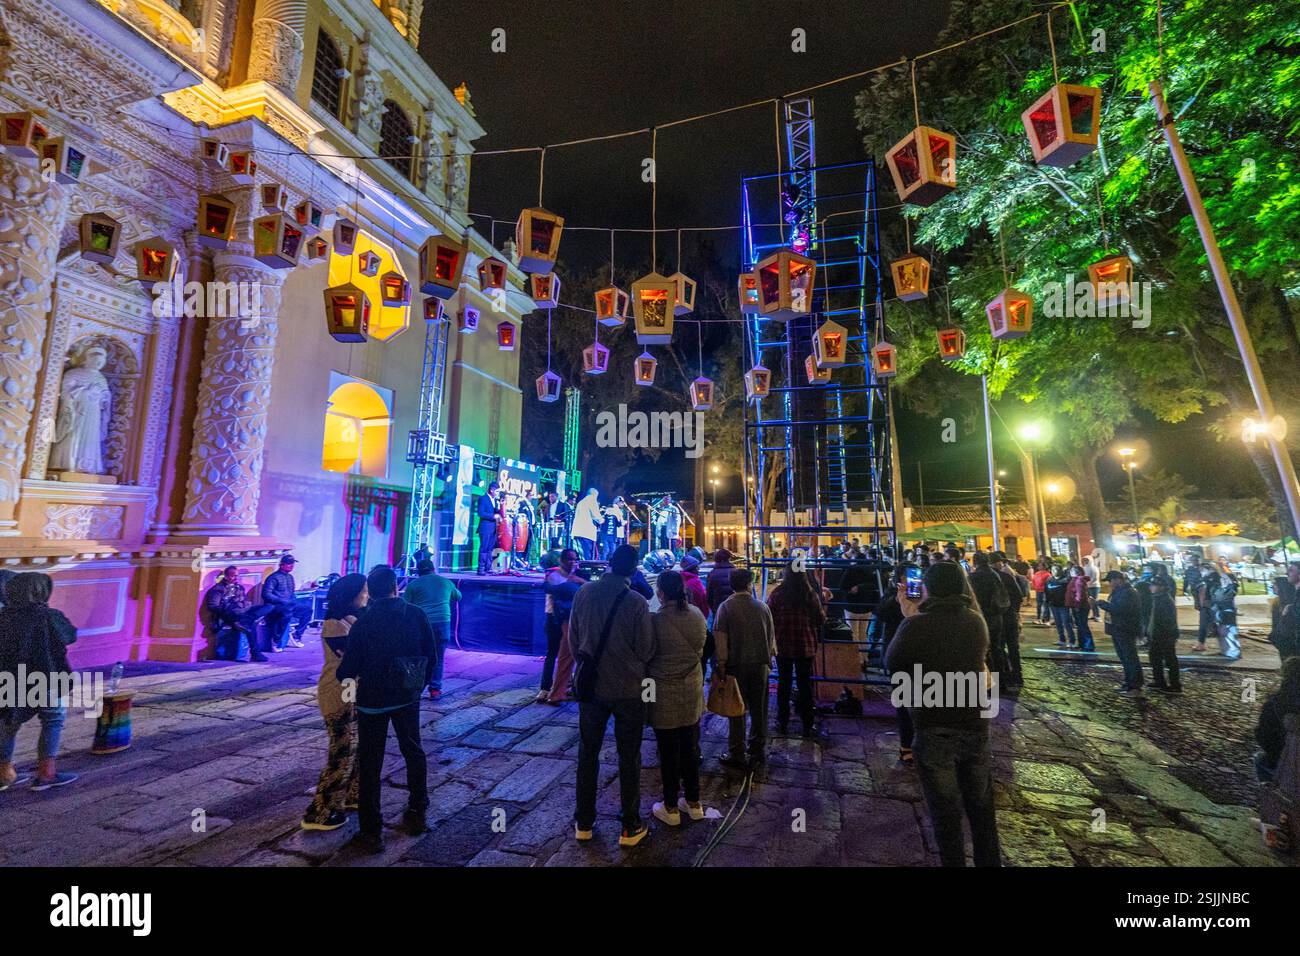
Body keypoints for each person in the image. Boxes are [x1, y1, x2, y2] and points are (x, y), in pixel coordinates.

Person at [885, 561, 1001, 867]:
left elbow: (893, 663)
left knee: (945, 813)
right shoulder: (976, 621)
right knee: (981, 809)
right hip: (975, 723)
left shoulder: (917, 623)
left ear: (929, 587)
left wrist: (911, 612)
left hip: (934, 723)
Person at [336, 566, 435, 853]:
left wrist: (342, 673)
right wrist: (417, 685)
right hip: (406, 696)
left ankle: (371, 831)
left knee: (370, 762)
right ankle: (417, 809)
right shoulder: (416, 615)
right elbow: (431, 655)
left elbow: (348, 669)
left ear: (371, 591)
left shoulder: (363, 623)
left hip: (372, 701)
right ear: (395, 586)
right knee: (413, 750)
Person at [569, 544, 654, 846]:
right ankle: (630, 825)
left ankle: (584, 822)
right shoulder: (636, 603)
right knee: (629, 756)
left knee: (587, 753)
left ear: (607, 564)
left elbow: (574, 638)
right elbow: (646, 649)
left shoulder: (584, 593)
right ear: (633, 570)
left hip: (591, 688)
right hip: (629, 690)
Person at [0, 573, 80, 792]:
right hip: (45, 678)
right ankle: (46, 774)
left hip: (11, 679)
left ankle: (4, 773)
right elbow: (70, 635)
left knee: (8, 724)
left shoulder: (4, 616)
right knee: (52, 719)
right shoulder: (48, 616)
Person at [302, 573, 367, 830]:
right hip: (338, 693)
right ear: (352, 594)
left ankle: (351, 795)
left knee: (358, 748)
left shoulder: (354, 618)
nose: (367, 595)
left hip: (355, 692)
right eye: (364, 590)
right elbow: (357, 656)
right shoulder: (334, 624)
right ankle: (320, 811)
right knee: (342, 751)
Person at [647, 570, 709, 826]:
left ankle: (670, 806)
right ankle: (694, 802)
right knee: (691, 748)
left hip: (664, 693)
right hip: (691, 690)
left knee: (668, 751)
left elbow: (646, 653)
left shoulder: (656, 621)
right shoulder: (696, 615)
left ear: (661, 592)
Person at [713, 567, 776, 768]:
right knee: (759, 710)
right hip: (760, 665)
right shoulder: (762, 607)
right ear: (749, 585)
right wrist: (769, 660)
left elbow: (720, 639)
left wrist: (721, 664)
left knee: (736, 709)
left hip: (736, 665)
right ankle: (758, 749)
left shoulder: (725, 608)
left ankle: (737, 752)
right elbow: (771, 638)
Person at [767, 562, 826, 737]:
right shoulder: (810, 595)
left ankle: (782, 720)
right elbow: (820, 619)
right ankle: (807, 723)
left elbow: (769, 617)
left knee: (783, 683)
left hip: (783, 644)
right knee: (804, 684)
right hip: (805, 645)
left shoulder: (777, 594)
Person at [870, 564, 913, 764]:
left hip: (919, 652)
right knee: (903, 700)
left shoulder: (923, 593)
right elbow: (880, 612)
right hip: (898, 652)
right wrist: (896, 601)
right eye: (905, 576)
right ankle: (907, 744)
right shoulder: (891, 592)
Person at [402, 559, 462, 698]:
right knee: (438, 658)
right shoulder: (445, 582)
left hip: (421, 624)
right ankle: (435, 690)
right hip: (442, 624)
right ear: (433, 569)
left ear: (418, 572)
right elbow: (458, 596)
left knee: (418, 656)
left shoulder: (413, 585)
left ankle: (414, 691)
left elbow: (405, 605)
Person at [540, 549, 585, 704]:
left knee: (568, 657)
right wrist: (578, 582)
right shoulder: (553, 576)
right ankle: (547, 690)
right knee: (555, 655)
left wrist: (579, 581)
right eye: (569, 559)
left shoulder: (575, 576)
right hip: (555, 620)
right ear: (561, 561)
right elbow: (563, 590)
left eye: (575, 559)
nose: (573, 562)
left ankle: (562, 689)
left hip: (568, 620)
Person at [249, 554, 312, 651]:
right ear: (282, 565)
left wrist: (293, 602)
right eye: (289, 564)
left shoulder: (290, 577)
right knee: (286, 614)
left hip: (289, 605)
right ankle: (276, 641)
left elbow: (291, 593)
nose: (291, 566)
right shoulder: (273, 577)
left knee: (307, 610)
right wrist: (282, 601)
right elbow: (266, 594)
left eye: (292, 564)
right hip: (276, 607)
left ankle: (297, 635)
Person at [202, 566, 265, 662]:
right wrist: (229, 609)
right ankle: (255, 653)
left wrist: (245, 605)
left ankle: (248, 619)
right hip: (228, 617)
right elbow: (213, 606)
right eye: (233, 576)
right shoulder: (218, 589)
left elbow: (244, 600)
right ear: (226, 577)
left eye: (237, 576)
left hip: (242, 613)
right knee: (250, 626)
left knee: (267, 607)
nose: (236, 578)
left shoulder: (239, 588)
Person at [1097, 570, 1144, 696]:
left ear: (1118, 580)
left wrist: (1103, 605)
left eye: (1111, 581)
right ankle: (1129, 683)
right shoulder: (1119, 591)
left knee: (1130, 657)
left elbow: (1120, 609)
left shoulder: (1128, 593)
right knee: (1124, 658)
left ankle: (1135, 686)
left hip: (1125, 629)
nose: (1109, 584)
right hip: (1118, 629)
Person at [1254, 657, 1300, 782]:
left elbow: (1263, 736)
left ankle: (1269, 795)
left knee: (1260, 759)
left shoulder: (1274, 703)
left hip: (1280, 761)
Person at [968, 552, 1009, 674]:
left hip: (983, 616)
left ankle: (991, 681)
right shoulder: (995, 574)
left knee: (985, 650)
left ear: (975, 562)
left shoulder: (974, 577)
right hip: (997, 616)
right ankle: (1001, 679)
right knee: (997, 648)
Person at [991, 553, 1025, 687]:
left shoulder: (990, 577)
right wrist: (1014, 611)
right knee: (1012, 648)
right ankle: (1017, 675)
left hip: (998, 618)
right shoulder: (1006, 576)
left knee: (999, 648)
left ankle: (1004, 678)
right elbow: (1018, 596)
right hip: (1009, 616)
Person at [1147, 575, 1182, 694]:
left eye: (1153, 585)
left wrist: (1166, 635)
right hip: (1157, 634)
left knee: (1170, 660)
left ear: (1161, 587)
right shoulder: (1157, 598)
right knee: (1155, 658)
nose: (1151, 587)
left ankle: (1175, 685)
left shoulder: (1165, 600)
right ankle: (1159, 681)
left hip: (1164, 635)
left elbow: (1167, 621)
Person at [1066, 563, 1095, 652]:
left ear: (1077, 572)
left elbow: (1079, 595)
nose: (1070, 572)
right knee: (1080, 626)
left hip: (1080, 607)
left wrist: (1077, 605)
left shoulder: (1078, 580)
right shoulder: (1076, 580)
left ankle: (1088, 645)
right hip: (1077, 606)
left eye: (1072, 571)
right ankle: (1082, 644)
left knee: (1083, 626)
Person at [1044, 564, 1075, 648]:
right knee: (1058, 623)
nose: (1054, 571)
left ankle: (1072, 641)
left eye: (1057, 569)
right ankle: (1062, 640)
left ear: (1061, 570)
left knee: (1066, 623)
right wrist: (1047, 602)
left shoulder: (1066, 581)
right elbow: (1046, 592)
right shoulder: (1049, 580)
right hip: (1053, 605)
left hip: (1063, 605)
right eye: (1053, 569)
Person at [570, 488, 602, 561]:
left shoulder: (581, 502)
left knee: (578, 555)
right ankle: (586, 570)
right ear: (595, 494)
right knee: (586, 555)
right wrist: (602, 520)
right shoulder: (592, 500)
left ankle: (578, 570)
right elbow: (596, 516)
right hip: (586, 533)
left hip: (577, 532)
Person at [476, 483, 502, 574]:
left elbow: (497, 512)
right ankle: (481, 568)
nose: (498, 493)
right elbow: (480, 513)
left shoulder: (495, 500)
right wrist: (493, 516)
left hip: (493, 528)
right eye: (497, 491)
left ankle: (488, 567)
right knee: (484, 548)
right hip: (485, 527)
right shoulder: (483, 499)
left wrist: (500, 506)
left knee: (490, 548)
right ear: (492, 490)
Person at [705, 549, 736, 621]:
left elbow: (709, 595)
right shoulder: (735, 571)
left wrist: (713, 608)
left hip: (718, 608)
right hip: (734, 607)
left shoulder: (712, 573)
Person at [678, 553, 710, 619]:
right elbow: (701, 600)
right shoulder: (694, 582)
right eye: (696, 567)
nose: (698, 569)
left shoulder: (684, 580)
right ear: (692, 568)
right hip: (698, 616)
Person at [1031, 560, 1051, 625]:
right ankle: (1039, 619)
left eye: (1040, 565)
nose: (1039, 567)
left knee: (1046, 605)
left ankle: (1046, 620)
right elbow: (1033, 580)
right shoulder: (1036, 573)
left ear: (1044, 567)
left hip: (1045, 592)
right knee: (1039, 605)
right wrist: (1034, 587)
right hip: (1038, 591)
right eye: (1039, 566)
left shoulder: (1048, 574)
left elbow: (1049, 583)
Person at [1082, 555, 1101, 620]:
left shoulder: (1094, 568)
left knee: (1094, 601)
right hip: (1087, 586)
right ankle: (1094, 614)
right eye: (1084, 560)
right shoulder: (1084, 568)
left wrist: (1088, 583)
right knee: (1089, 602)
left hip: (1094, 587)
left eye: (1087, 560)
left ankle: (1097, 616)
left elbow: (1095, 578)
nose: (1085, 561)